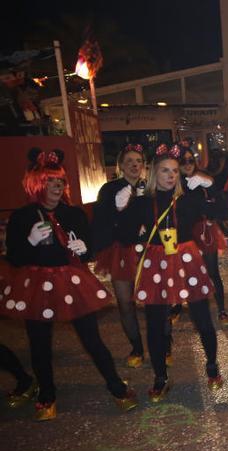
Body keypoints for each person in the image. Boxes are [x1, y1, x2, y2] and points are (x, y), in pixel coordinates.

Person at [2, 148, 137, 420]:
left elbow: (88, 252)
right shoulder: (22, 217)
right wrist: (30, 241)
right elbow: (15, 258)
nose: (56, 186)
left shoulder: (73, 214)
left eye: (60, 181)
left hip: (70, 281)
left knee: (92, 339)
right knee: (39, 343)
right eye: (50, 181)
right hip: (36, 283)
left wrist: (84, 249)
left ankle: (115, 384)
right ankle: (47, 393)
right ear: (36, 183)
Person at [117, 144, 223, 402]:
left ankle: (212, 366)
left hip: (187, 259)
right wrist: (122, 211)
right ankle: (160, 377)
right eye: (165, 170)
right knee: (155, 324)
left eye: (174, 171)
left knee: (202, 318)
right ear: (154, 172)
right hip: (157, 262)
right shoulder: (142, 203)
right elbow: (124, 236)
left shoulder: (189, 199)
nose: (171, 175)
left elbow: (220, 211)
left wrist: (209, 186)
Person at [92, 144, 148, 368]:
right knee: (125, 303)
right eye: (129, 161)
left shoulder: (150, 187)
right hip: (121, 251)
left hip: (147, 250)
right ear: (121, 166)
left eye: (138, 161)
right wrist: (120, 212)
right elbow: (100, 221)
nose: (135, 165)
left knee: (156, 301)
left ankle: (164, 344)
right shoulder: (109, 189)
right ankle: (137, 347)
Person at [179, 145, 228, 324]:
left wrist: (210, 184)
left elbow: (221, 207)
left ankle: (222, 309)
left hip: (204, 232)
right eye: (182, 161)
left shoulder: (203, 181)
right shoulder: (175, 184)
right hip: (183, 235)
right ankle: (185, 307)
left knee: (213, 272)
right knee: (186, 273)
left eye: (190, 160)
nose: (187, 164)